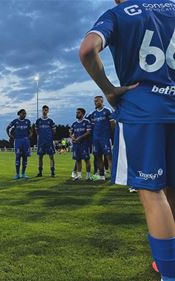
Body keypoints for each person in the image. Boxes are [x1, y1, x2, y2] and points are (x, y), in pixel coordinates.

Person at [79, 1, 175, 280]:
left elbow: (87, 50)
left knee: (153, 192)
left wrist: (108, 90)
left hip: (143, 111)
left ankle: (169, 273)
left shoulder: (118, 14)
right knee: (172, 188)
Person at [88, 96, 114, 181]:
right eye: (94, 101)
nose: (95, 102)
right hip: (96, 139)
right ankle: (102, 176)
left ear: (102, 101)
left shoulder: (107, 110)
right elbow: (91, 126)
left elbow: (113, 124)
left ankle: (113, 176)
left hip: (105, 138)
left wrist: (112, 136)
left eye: (97, 101)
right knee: (98, 157)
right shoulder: (93, 113)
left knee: (109, 157)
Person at [6, 109, 32, 179]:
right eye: (23, 113)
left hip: (25, 141)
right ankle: (17, 174)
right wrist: (9, 135)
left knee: (25, 157)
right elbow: (7, 128)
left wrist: (28, 136)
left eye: (25, 113)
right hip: (18, 141)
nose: (24, 115)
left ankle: (23, 174)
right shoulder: (15, 121)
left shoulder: (28, 121)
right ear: (19, 114)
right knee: (18, 157)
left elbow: (30, 131)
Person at [69, 108, 92, 181]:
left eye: (78, 113)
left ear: (82, 114)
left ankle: (88, 176)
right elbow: (70, 132)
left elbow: (88, 132)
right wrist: (72, 138)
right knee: (78, 160)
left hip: (85, 144)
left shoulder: (87, 122)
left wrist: (79, 138)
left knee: (86, 159)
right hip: (76, 144)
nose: (77, 114)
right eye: (76, 112)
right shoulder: (74, 123)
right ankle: (79, 175)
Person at [35, 105, 57, 177]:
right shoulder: (38, 121)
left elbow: (54, 130)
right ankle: (40, 172)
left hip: (49, 141)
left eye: (46, 110)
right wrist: (40, 136)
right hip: (41, 141)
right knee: (40, 157)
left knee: (51, 156)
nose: (45, 111)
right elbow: (36, 130)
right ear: (42, 111)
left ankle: (52, 172)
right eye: (44, 110)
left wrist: (49, 136)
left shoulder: (50, 121)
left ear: (48, 111)